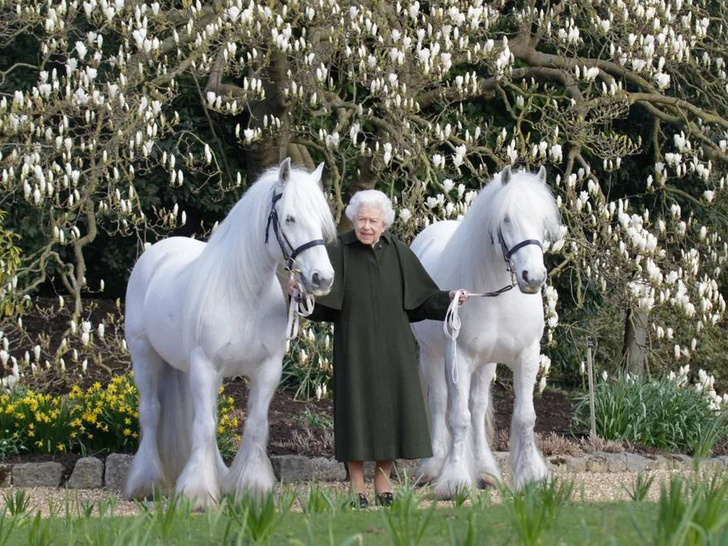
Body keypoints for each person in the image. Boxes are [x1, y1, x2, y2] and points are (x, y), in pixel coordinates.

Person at [299, 189, 469, 508]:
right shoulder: (337, 250)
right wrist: (301, 297)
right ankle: (357, 485)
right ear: (353, 219)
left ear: (384, 223)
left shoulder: (399, 252)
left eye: (373, 221)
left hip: (395, 349)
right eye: (361, 219)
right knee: (356, 414)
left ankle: (383, 480)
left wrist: (449, 298)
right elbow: (322, 306)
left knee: (392, 413)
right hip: (354, 347)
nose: (366, 226)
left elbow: (420, 300)